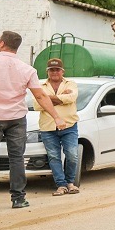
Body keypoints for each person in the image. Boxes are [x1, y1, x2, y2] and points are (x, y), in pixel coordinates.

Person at [0, 31, 66, 210]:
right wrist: (57, 117)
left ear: (2, 44)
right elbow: (40, 96)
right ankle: (18, 199)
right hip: (16, 119)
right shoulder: (28, 69)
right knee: (17, 158)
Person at [38, 58, 81, 196]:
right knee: (53, 157)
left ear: (62, 71)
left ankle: (70, 182)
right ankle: (61, 185)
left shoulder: (71, 84)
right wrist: (62, 98)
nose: (54, 72)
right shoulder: (40, 85)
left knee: (72, 155)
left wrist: (47, 98)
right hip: (48, 127)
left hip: (69, 125)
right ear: (47, 71)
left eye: (57, 70)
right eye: (51, 70)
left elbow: (72, 98)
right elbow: (37, 104)